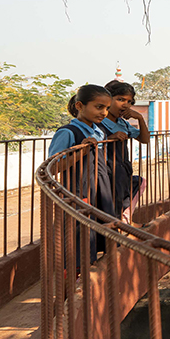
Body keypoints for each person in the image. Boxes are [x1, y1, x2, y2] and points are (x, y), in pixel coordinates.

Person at [49, 85, 115, 266]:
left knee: (100, 232)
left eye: (107, 108)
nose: (104, 112)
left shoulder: (98, 131)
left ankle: (90, 275)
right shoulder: (68, 132)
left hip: (99, 189)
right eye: (99, 107)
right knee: (79, 235)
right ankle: (72, 282)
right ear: (79, 106)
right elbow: (53, 167)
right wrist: (82, 151)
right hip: (78, 190)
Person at [101, 80, 149, 224]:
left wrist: (140, 118)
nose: (125, 105)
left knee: (132, 190)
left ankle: (125, 222)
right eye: (120, 99)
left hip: (123, 171)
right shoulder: (100, 123)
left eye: (129, 101)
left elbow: (144, 139)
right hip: (107, 172)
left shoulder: (122, 123)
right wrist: (110, 138)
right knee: (111, 206)